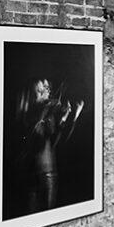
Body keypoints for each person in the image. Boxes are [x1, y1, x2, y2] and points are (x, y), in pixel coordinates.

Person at [17, 76, 84, 213]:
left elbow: (57, 138)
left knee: (48, 212)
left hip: (48, 171)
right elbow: (33, 134)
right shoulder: (28, 114)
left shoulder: (48, 113)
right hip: (32, 172)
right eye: (42, 89)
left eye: (47, 88)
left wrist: (70, 116)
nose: (47, 92)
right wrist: (46, 110)